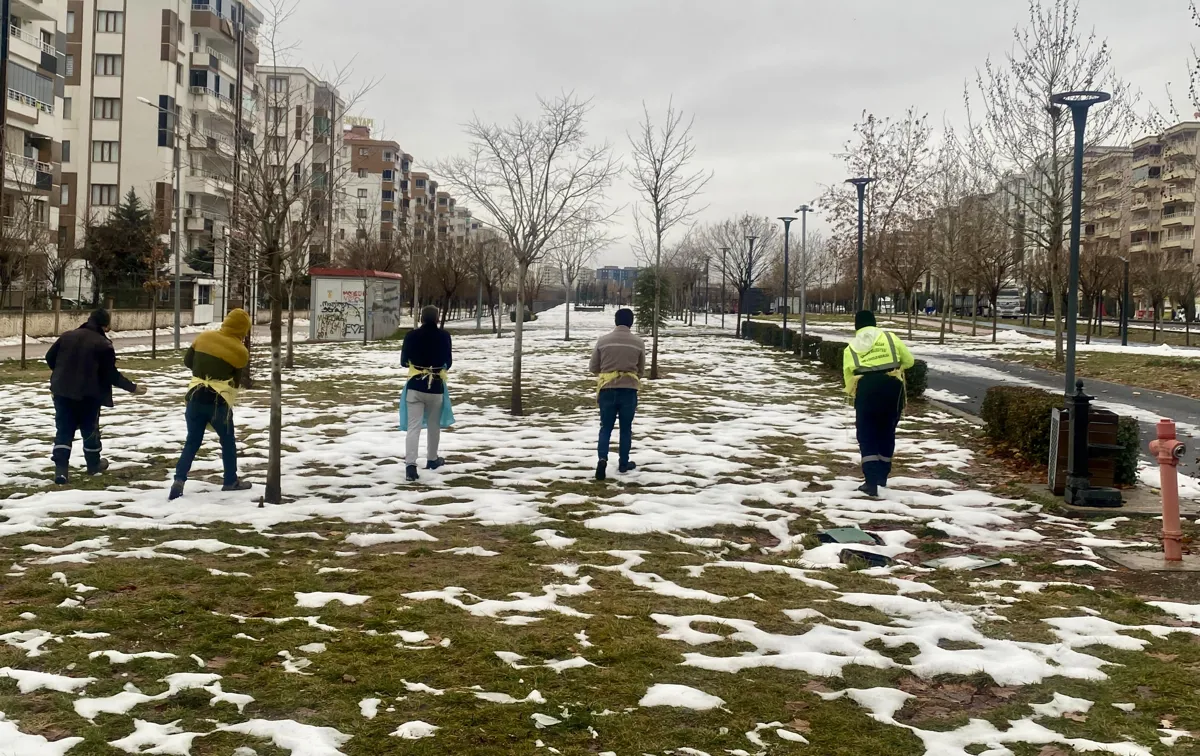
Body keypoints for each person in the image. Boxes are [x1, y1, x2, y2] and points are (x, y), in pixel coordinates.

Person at [46, 309, 147, 485]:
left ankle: (61, 471)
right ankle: (93, 465)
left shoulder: (67, 336)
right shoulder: (103, 344)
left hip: (62, 391)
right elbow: (110, 374)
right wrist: (133, 388)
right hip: (89, 394)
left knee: (64, 430)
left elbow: (50, 358)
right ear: (106, 325)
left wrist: (62, 373)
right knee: (89, 429)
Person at [169, 309, 254, 500]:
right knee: (227, 441)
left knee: (192, 441)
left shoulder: (204, 337)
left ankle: (179, 480)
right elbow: (236, 381)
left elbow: (187, 361)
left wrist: (203, 372)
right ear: (243, 329)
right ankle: (230, 481)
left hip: (195, 395)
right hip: (218, 402)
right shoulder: (240, 352)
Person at [843, 310, 915, 497]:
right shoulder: (890, 338)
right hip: (893, 389)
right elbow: (909, 361)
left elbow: (848, 380)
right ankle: (883, 476)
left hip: (866, 390)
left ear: (856, 326)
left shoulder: (850, 348)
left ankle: (871, 482)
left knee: (867, 436)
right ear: (874, 323)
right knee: (887, 431)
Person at [589, 307, 645, 481]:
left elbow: (593, 368)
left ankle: (602, 459)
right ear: (631, 322)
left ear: (615, 321)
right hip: (629, 390)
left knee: (605, 427)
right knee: (626, 428)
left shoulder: (603, 341)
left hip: (607, 389)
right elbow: (641, 370)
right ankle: (623, 463)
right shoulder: (638, 342)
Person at [400, 305, 454, 482]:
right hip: (436, 387)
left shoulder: (411, 336)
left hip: (415, 386)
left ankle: (410, 466)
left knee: (413, 427)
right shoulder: (444, 336)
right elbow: (449, 362)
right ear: (437, 318)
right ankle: (432, 459)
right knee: (433, 425)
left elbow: (403, 362)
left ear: (421, 318)